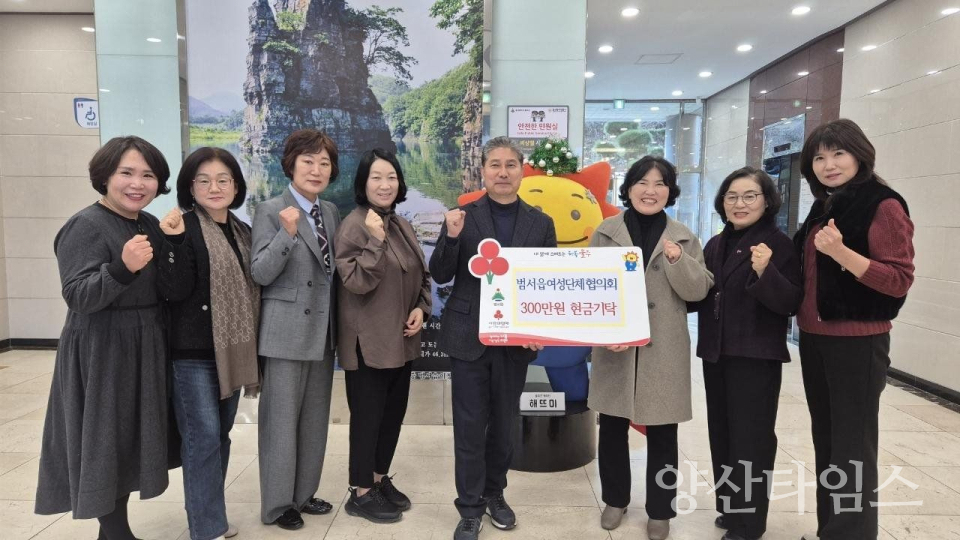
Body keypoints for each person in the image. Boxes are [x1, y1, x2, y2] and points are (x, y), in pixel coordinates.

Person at [35, 136, 175, 540]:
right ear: (105, 176)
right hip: (103, 347)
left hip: (144, 342)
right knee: (105, 440)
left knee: (129, 440)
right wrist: (122, 268)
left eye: (148, 175)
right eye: (126, 173)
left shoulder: (148, 223)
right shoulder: (85, 224)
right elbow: (77, 295)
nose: (137, 183)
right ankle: (115, 533)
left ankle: (114, 531)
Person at [429, 136, 557, 540]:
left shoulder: (541, 223)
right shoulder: (462, 216)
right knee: (469, 427)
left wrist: (539, 329)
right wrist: (451, 237)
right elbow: (440, 274)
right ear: (482, 170)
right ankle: (469, 507)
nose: (503, 173)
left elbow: (547, 284)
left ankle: (494, 494)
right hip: (469, 336)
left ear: (522, 170)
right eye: (495, 165)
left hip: (515, 339)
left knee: (503, 425)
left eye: (511, 165)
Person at [793, 119, 914, 540]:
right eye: (819, 157)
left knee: (852, 447)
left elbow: (898, 279)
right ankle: (832, 529)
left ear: (859, 154)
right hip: (816, 338)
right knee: (827, 441)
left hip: (858, 342)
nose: (828, 164)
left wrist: (842, 253)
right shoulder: (825, 205)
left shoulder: (883, 205)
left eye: (838, 154)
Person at [588, 155, 713, 540]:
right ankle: (615, 499)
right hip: (615, 347)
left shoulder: (683, 236)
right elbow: (589, 288)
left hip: (664, 348)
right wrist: (604, 332)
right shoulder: (606, 231)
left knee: (663, 433)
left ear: (670, 191)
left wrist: (678, 260)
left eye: (660, 183)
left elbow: (699, 290)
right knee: (611, 428)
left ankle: (660, 510)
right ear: (628, 189)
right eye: (642, 182)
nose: (650, 190)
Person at [156, 147, 260, 540]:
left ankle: (210, 517)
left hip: (232, 353)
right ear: (190, 187)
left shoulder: (242, 231)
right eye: (203, 181)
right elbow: (174, 289)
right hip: (193, 356)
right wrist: (173, 243)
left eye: (222, 180)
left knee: (219, 437)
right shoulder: (180, 226)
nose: (214, 188)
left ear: (235, 186)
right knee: (202, 440)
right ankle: (207, 528)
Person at [694, 167, 802, 540]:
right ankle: (730, 507)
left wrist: (765, 271)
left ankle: (749, 524)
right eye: (732, 196)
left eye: (749, 196)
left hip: (755, 357)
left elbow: (790, 303)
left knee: (751, 440)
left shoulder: (778, 244)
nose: (739, 204)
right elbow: (701, 293)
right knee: (722, 433)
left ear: (767, 201)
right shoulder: (716, 243)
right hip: (717, 353)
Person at [335, 148, 431, 523]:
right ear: (363, 183)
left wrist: (421, 308)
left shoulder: (401, 224)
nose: (385, 184)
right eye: (376, 177)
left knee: (392, 415)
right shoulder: (355, 225)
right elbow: (355, 281)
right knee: (368, 418)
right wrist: (375, 241)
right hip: (369, 344)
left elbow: (422, 274)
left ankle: (377, 479)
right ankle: (360, 492)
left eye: (391, 177)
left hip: (401, 341)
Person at [251, 129, 341, 531]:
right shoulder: (271, 209)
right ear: (291, 165)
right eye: (308, 161)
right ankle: (277, 504)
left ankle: (303, 494)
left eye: (324, 163)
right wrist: (286, 235)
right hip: (285, 333)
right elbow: (260, 272)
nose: (316, 170)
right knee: (281, 424)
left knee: (314, 420)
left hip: (322, 332)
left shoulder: (331, 212)